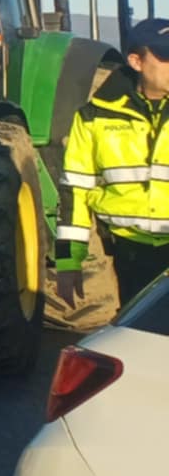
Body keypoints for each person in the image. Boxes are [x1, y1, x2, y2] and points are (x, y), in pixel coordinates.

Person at [62, 18, 169, 305]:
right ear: (136, 61)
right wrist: (67, 263)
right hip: (131, 255)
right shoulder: (93, 117)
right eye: (166, 57)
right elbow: (75, 190)